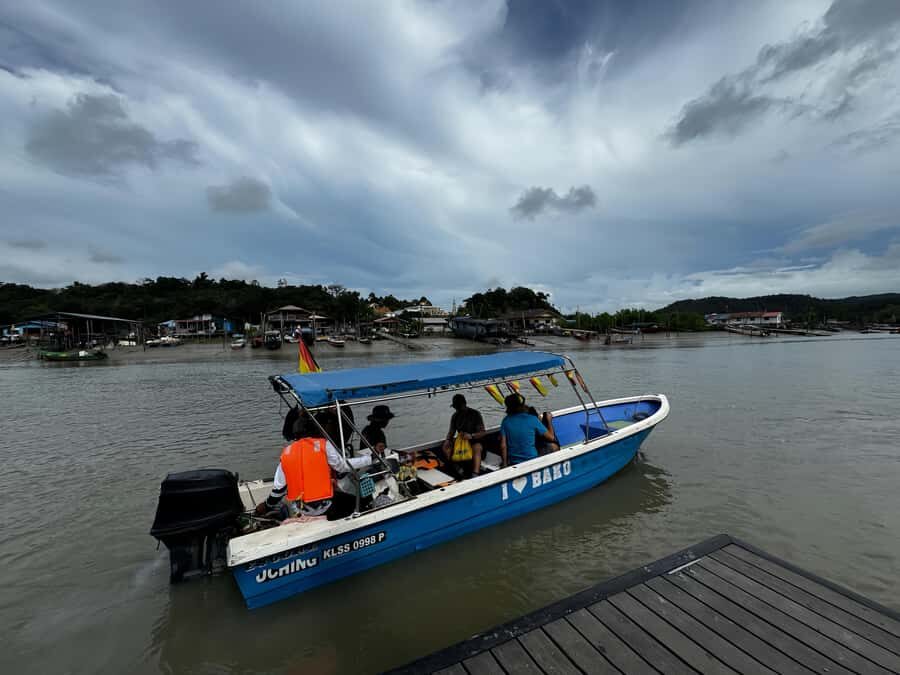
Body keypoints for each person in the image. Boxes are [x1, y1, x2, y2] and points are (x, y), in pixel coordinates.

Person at [256, 414, 372, 520]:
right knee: (361, 503)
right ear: (314, 429)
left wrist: (266, 505)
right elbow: (341, 466)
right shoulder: (323, 445)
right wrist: (369, 459)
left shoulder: (287, 452)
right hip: (325, 506)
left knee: (341, 497)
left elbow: (278, 490)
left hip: (301, 508)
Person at [500, 393, 557, 466]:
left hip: (514, 461)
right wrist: (549, 420)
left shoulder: (505, 421)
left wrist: (505, 464)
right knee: (553, 446)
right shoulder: (532, 419)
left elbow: (503, 446)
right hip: (532, 458)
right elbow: (551, 437)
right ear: (522, 406)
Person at [441, 394, 486, 478]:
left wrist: (471, 436)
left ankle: (475, 472)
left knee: (477, 448)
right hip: (461, 440)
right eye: (455, 407)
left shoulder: (475, 414)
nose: (457, 409)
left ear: (464, 404)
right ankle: (456, 467)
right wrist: (448, 440)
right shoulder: (455, 416)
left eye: (458, 406)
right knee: (445, 447)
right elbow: (451, 431)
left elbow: (482, 432)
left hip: (474, 440)